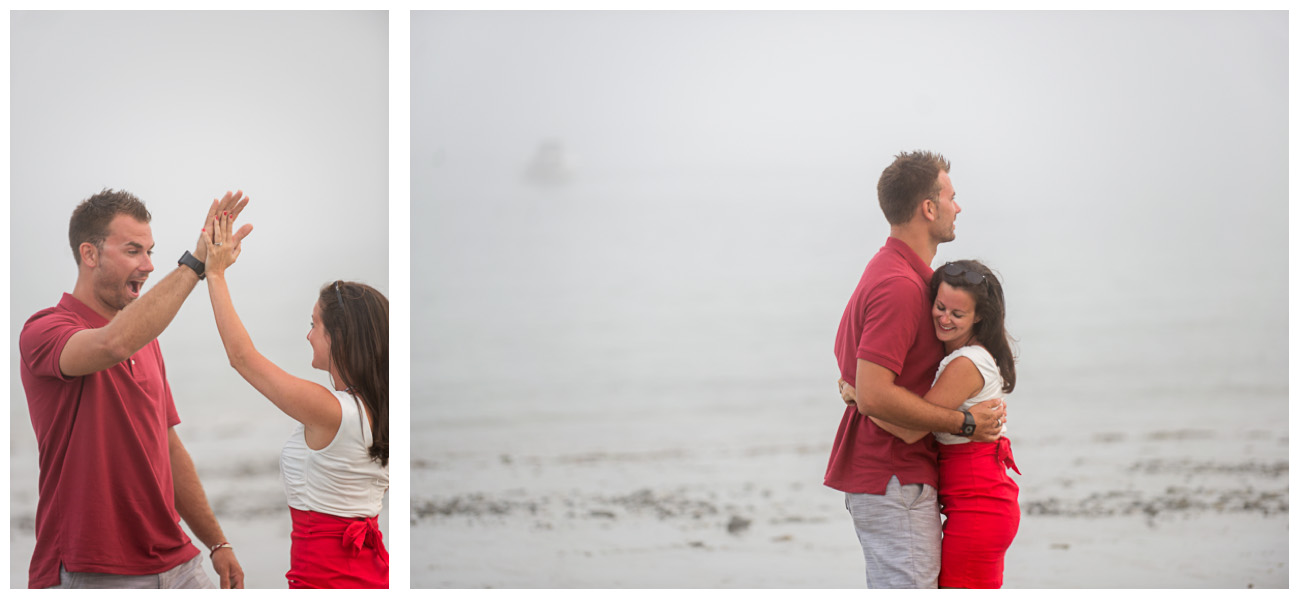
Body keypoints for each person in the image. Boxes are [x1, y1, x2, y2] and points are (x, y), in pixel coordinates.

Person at [18, 189, 253, 589]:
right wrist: (196, 265)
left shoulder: (147, 337)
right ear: (90, 254)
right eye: (133, 251)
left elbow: (167, 444)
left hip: (178, 562)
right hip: (89, 569)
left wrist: (216, 541)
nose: (147, 266)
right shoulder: (44, 330)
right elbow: (112, 344)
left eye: (150, 251)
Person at [826, 151, 1005, 589]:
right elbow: (873, 394)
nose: (957, 207)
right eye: (951, 197)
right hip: (895, 476)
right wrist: (965, 422)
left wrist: (857, 393)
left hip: (893, 477)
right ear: (928, 208)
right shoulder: (900, 287)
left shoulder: (892, 272)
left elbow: (861, 386)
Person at [201, 211, 390, 588]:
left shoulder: (332, 411)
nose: (308, 336)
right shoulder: (378, 409)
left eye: (314, 325)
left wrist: (215, 273)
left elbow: (242, 358)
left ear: (339, 336)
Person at [841, 259, 1021, 588]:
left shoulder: (965, 363)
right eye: (940, 307)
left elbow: (912, 429)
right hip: (976, 502)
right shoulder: (958, 356)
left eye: (957, 314)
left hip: (979, 508)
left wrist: (862, 397)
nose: (944, 318)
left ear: (979, 317)